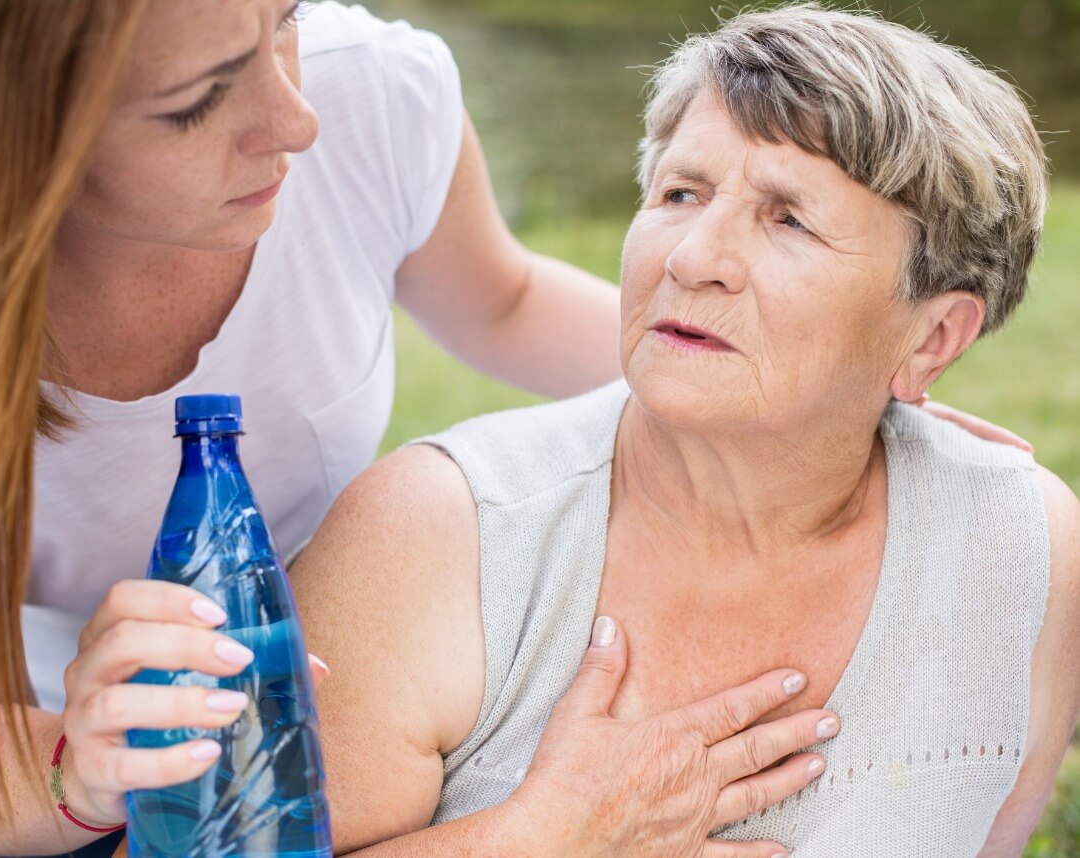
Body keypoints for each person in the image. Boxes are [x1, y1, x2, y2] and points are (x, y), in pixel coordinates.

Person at [0, 0, 1029, 855]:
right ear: (22, 133)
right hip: (26, 738)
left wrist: (823, 378)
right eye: (195, 101)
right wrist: (79, 775)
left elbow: (502, 298)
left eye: (285, 24)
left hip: (302, 660)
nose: (295, 121)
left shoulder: (364, 99)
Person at [291, 5, 1080, 855]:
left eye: (788, 218)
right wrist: (545, 837)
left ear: (930, 339)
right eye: (680, 193)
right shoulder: (432, 534)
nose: (691, 256)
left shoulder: (1025, 550)